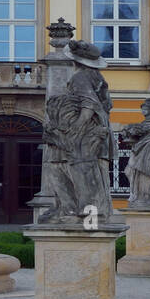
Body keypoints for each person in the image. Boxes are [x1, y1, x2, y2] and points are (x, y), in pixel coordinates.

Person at [39, 40, 114, 224]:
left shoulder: (80, 77)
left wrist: (75, 128)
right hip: (94, 131)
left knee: (65, 169)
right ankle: (82, 212)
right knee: (84, 172)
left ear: (75, 61)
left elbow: (89, 104)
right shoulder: (96, 77)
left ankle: (76, 212)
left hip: (84, 134)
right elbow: (106, 104)